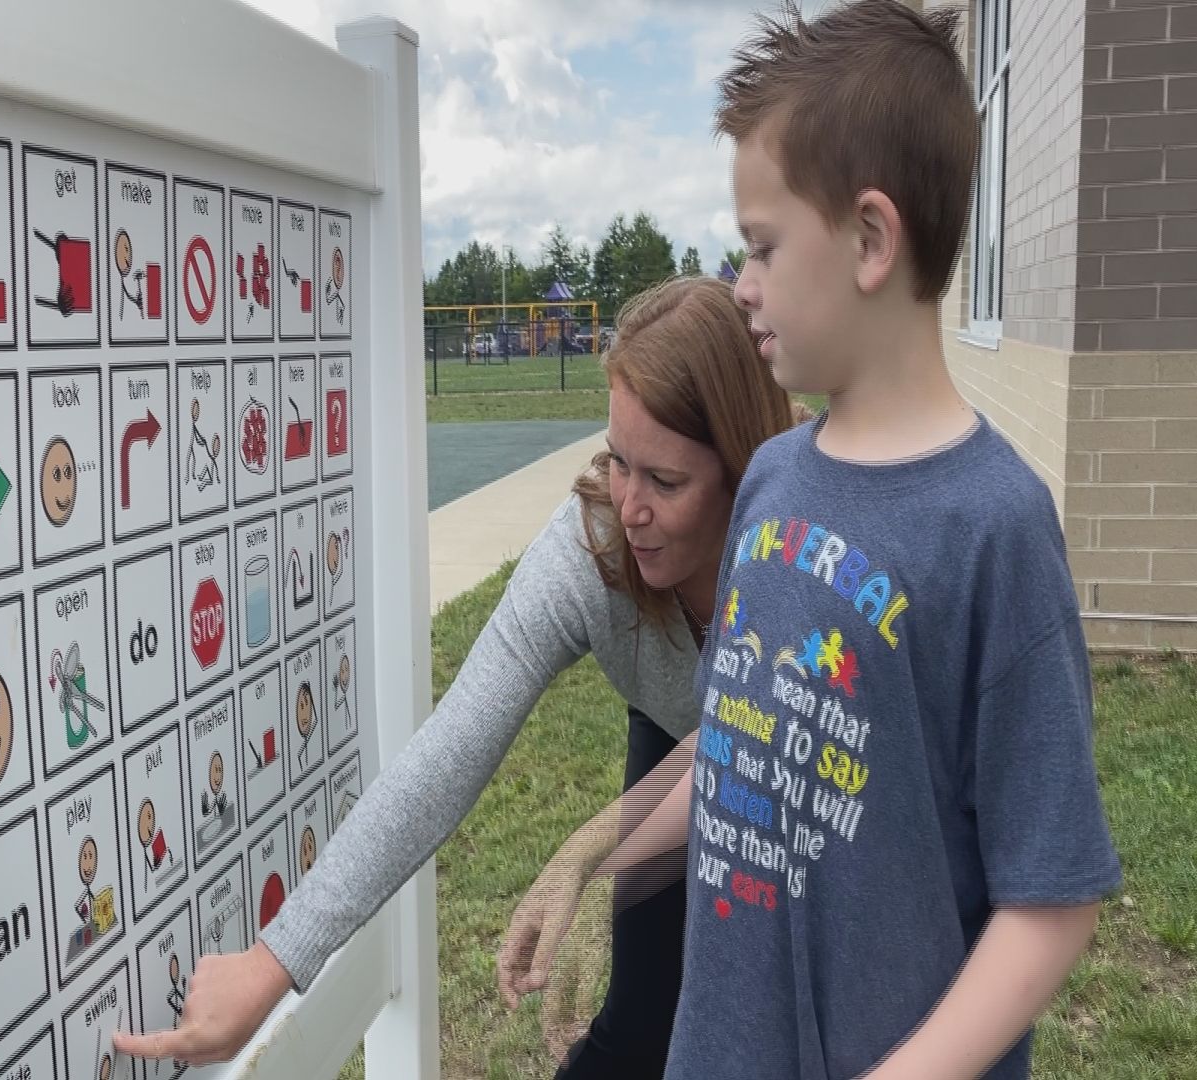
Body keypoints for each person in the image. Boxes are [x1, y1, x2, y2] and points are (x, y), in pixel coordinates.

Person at [510, 3, 1124, 1078]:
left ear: (871, 240)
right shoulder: (776, 479)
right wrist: (594, 862)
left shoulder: (997, 529)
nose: (740, 280)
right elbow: (748, 742)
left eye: (762, 246)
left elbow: (1053, 900)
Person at [114, 274, 807, 1075]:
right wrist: (273, 964)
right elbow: (447, 752)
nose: (630, 508)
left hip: (789, 761)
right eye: (619, 461)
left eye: (667, 482)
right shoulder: (588, 551)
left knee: (764, 1011)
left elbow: (747, 747)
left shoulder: (803, 546)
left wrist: (584, 851)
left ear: (744, 471)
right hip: (675, 725)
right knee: (639, 1018)